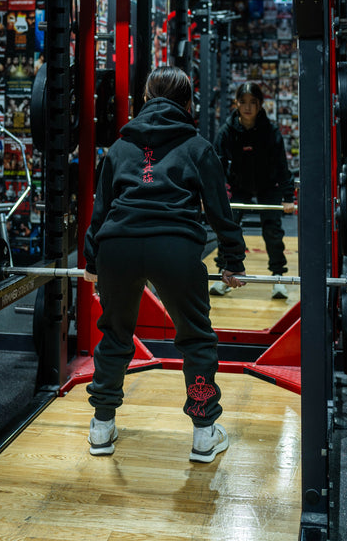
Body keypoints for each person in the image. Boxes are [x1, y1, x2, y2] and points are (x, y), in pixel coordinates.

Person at [83, 66, 246, 463]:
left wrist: (91, 261)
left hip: (117, 248)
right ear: (188, 103)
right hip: (173, 248)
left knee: (116, 335)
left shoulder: (120, 147)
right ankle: (204, 434)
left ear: (144, 100)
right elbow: (221, 212)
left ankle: (101, 426)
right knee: (196, 339)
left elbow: (100, 210)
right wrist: (232, 261)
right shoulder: (197, 145)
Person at [210, 81, 294, 299]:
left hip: (268, 185)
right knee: (228, 228)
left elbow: (282, 166)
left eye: (252, 103)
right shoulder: (227, 131)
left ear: (260, 105)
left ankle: (278, 278)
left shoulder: (271, 131)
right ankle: (225, 274)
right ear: (236, 104)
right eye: (243, 102)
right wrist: (215, 195)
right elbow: (216, 166)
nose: (247, 107)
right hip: (240, 185)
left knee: (272, 231)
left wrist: (287, 198)